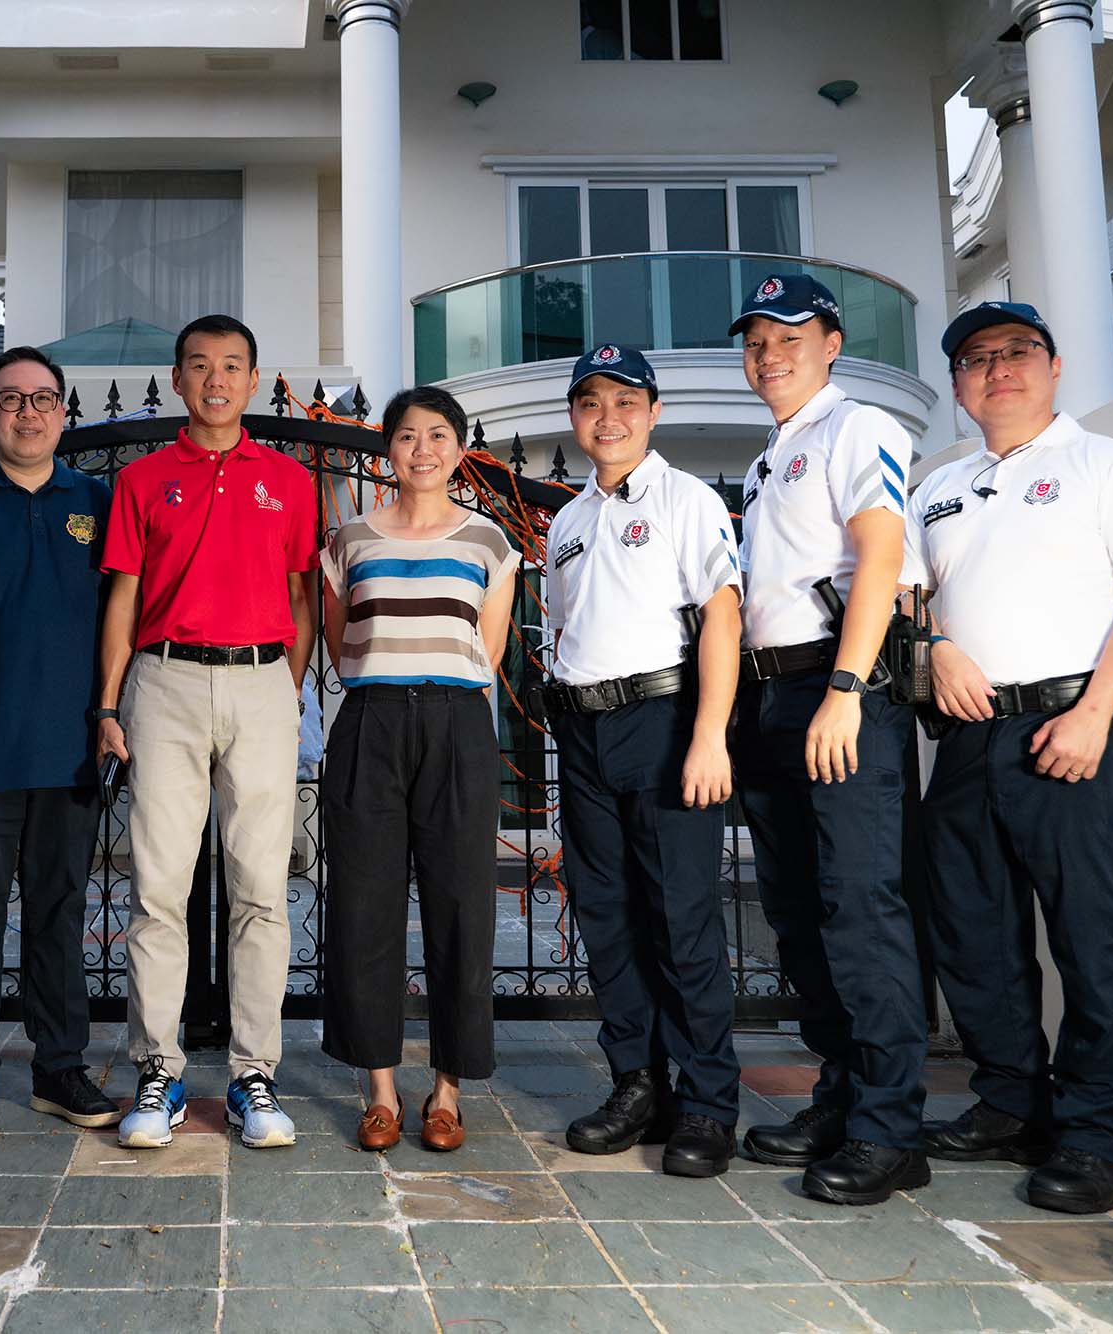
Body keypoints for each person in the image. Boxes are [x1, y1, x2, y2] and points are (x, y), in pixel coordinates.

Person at [909, 302, 1113, 1214]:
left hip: (1074, 728)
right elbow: (910, 598)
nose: (998, 368)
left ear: (1054, 365)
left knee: (1096, 941)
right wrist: (934, 647)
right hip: (969, 735)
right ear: (958, 385)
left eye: (1017, 350)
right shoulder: (938, 487)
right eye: (976, 358)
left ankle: (1100, 1135)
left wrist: (1095, 714)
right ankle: (1011, 1106)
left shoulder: (1107, 465)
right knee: (973, 937)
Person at [96, 314, 319, 1150]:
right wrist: (108, 705)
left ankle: (255, 1074)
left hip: (261, 681)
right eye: (199, 365)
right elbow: (122, 598)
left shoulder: (288, 480)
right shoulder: (143, 479)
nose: (216, 380)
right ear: (179, 380)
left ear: (253, 381)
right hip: (166, 682)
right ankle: (159, 1071)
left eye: (231, 366)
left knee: (260, 887)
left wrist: (284, 688)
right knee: (158, 888)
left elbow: (303, 596)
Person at [731, 273, 930, 1205]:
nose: (770, 356)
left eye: (791, 338)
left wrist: (847, 689)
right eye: (758, 343)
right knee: (799, 910)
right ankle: (843, 1096)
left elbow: (881, 554)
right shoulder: (770, 458)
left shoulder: (858, 427)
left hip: (838, 685)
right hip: (774, 698)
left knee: (859, 906)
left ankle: (891, 1129)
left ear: (833, 344)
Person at [543, 346, 743, 1178]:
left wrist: (709, 735)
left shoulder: (686, 499)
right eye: (591, 402)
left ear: (654, 412)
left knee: (682, 919)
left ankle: (707, 1103)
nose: (609, 417)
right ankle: (639, 1085)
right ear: (575, 417)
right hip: (584, 731)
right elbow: (564, 628)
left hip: (663, 721)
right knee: (608, 916)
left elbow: (723, 616)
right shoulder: (567, 521)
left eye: (626, 401)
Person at [0, 346, 120, 1146]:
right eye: (11, 399)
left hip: (69, 747)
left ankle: (58, 1066)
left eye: (42, 399)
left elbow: (123, 617)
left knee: (59, 915)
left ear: (64, 414)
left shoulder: (97, 501)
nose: (28, 412)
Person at [318, 385, 516, 1153]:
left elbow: (488, 651)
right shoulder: (348, 539)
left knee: (460, 907)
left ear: (459, 451)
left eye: (438, 435)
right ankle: (380, 1089)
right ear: (388, 450)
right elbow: (340, 642)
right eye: (407, 436)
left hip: (456, 722)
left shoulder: (490, 543)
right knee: (364, 905)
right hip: (370, 720)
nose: (422, 449)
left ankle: (447, 1091)